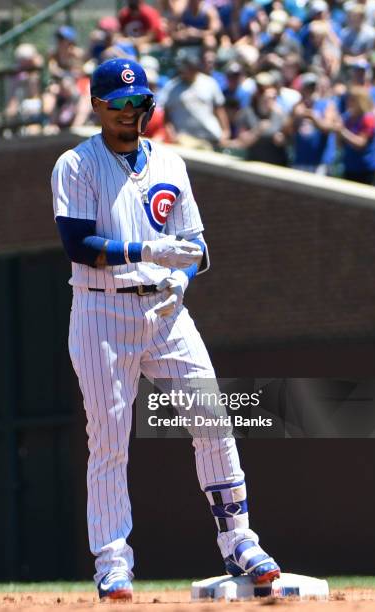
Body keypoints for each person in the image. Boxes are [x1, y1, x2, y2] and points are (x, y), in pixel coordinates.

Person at [51, 57, 281, 602]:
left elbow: (196, 246)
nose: (130, 111)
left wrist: (181, 275)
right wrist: (145, 251)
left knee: (214, 419)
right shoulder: (76, 165)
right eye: (119, 103)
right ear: (98, 105)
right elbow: (77, 244)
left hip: (165, 311)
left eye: (139, 102)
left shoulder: (171, 164)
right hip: (101, 312)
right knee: (108, 440)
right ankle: (112, 561)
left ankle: (239, 541)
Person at [161, 49, 230, 149]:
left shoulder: (209, 83)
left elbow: (219, 109)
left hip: (210, 137)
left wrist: (225, 131)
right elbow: (166, 116)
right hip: (184, 139)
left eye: (191, 68)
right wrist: (172, 135)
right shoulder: (172, 87)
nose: (187, 71)